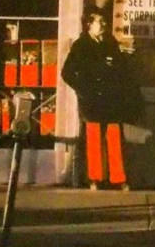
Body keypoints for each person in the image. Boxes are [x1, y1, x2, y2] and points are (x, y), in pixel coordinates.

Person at [61, 11, 142, 191]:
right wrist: (83, 90)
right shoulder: (81, 45)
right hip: (91, 101)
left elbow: (121, 69)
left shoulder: (110, 43)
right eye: (100, 22)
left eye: (104, 22)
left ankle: (119, 179)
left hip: (111, 99)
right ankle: (94, 179)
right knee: (94, 139)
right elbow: (67, 73)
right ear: (89, 25)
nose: (104, 25)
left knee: (115, 138)